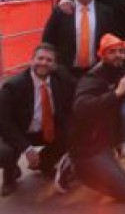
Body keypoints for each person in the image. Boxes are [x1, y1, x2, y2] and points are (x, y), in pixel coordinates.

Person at [68, 34, 125, 201]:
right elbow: (80, 108)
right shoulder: (93, 78)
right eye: (112, 52)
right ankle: (74, 167)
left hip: (112, 131)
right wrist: (117, 93)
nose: (118, 55)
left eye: (121, 51)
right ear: (102, 54)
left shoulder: (123, 68)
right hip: (91, 143)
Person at [0, 44, 74, 196]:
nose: (44, 63)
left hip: (46, 129)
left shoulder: (62, 77)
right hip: (20, 131)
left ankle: (44, 164)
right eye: (40, 58)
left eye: (49, 60)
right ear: (31, 60)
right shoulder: (13, 86)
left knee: (73, 134)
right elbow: (4, 123)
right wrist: (26, 149)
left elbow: (80, 90)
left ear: (54, 65)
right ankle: (10, 175)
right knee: (5, 152)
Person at [42, 0, 115, 79]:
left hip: (97, 72)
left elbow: (112, 41)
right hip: (65, 73)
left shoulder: (106, 12)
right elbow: (47, 40)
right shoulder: (61, 12)